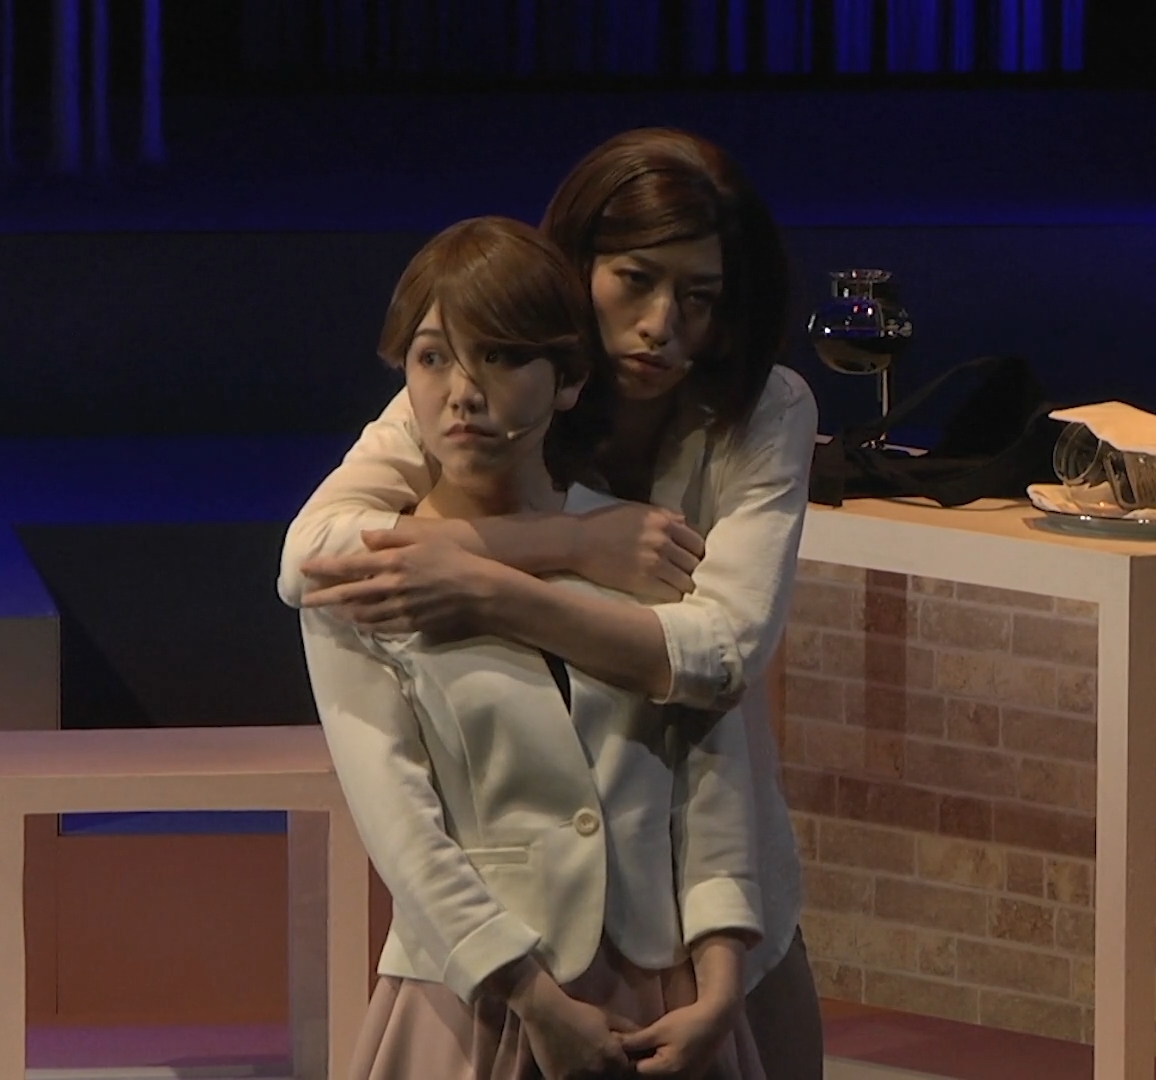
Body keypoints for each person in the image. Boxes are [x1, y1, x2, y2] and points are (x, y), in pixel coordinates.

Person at [279, 129, 824, 1078]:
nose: (662, 325)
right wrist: (568, 544)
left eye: (699, 297)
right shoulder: (473, 380)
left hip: (694, 935)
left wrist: (487, 584)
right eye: (635, 282)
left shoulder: (760, 411)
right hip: (496, 971)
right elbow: (311, 562)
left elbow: (717, 663)